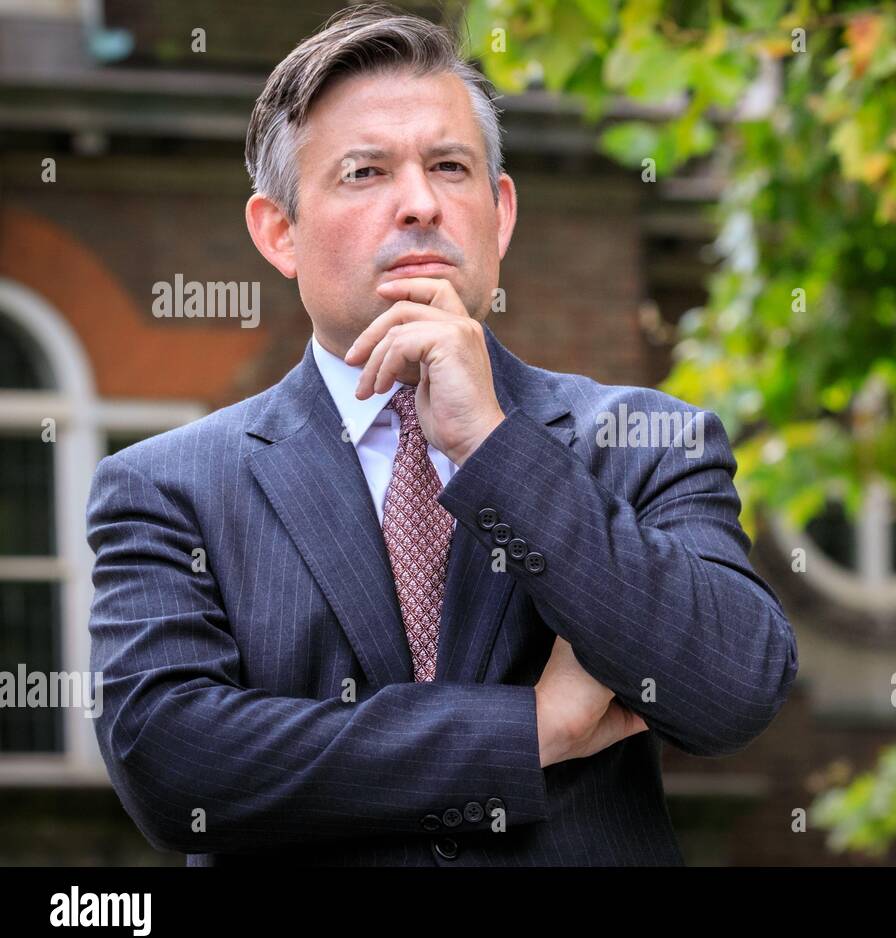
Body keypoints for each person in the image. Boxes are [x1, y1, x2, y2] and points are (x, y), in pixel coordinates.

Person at [85, 3, 798, 866]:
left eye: (450, 167)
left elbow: (734, 690)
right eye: (364, 173)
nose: (420, 203)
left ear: (499, 214)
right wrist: (524, 734)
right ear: (279, 231)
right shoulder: (171, 489)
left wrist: (494, 447)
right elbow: (173, 763)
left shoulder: (649, 440)